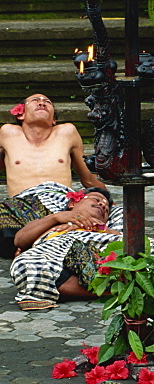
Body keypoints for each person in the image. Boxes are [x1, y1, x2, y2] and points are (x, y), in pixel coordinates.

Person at [0, 94, 106, 257]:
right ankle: (34, 242)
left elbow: (88, 179)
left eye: (47, 102)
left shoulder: (66, 132)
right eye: (35, 101)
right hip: (21, 206)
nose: (42, 102)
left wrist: (105, 200)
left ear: (53, 120)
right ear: (21, 114)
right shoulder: (7, 133)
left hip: (59, 201)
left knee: (105, 213)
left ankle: (32, 244)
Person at [10, 187, 119, 309]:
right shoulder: (52, 222)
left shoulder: (110, 231)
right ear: (73, 203)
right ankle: (111, 291)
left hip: (96, 257)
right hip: (57, 259)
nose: (102, 205)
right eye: (96, 199)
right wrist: (56, 218)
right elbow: (20, 240)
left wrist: (100, 229)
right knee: (26, 264)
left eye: (106, 208)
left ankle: (62, 290)